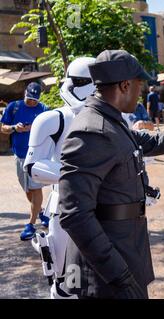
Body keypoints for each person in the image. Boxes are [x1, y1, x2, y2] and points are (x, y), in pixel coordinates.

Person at [58, 49, 164, 299]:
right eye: (139, 86)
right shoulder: (92, 131)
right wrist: (118, 273)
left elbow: (161, 140)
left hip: (126, 247)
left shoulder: (114, 122)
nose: (141, 93)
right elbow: (74, 215)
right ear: (124, 85)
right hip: (107, 265)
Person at [23, 57, 96, 298]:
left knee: (99, 276)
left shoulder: (111, 120)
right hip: (65, 206)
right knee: (66, 281)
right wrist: (75, 174)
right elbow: (33, 166)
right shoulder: (53, 119)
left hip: (102, 206)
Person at [0, 82, 49, 240]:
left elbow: (51, 131)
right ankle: (40, 212)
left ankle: (30, 225)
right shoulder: (14, 107)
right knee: (27, 189)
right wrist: (15, 128)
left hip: (37, 155)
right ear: (24, 94)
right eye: (29, 99)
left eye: (35, 100)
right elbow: (3, 128)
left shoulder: (44, 110)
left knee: (36, 189)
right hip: (20, 156)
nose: (32, 102)